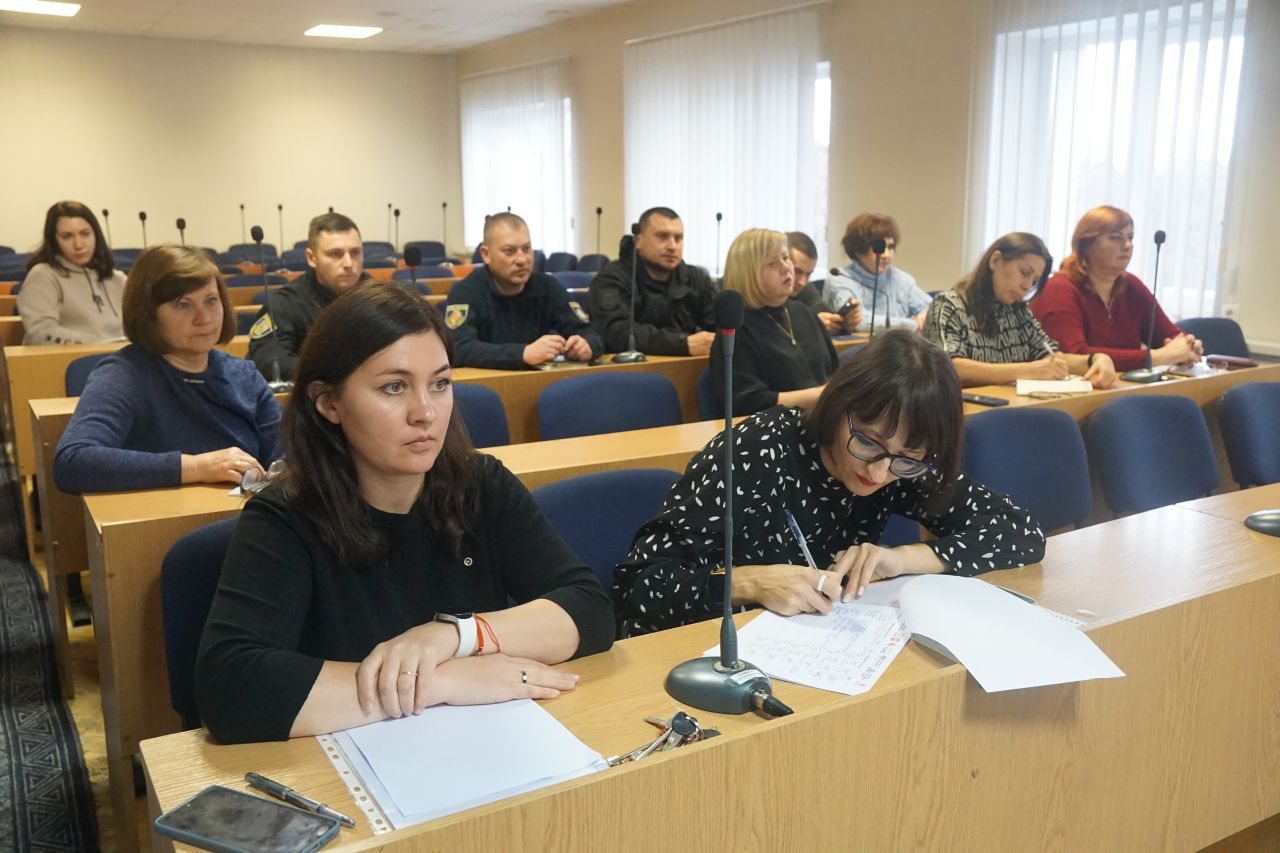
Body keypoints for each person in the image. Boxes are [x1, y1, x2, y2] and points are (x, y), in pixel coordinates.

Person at [195, 282, 614, 744]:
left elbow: (589, 610)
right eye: (394, 387)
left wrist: (456, 636)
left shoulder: (481, 483)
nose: (426, 412)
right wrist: (440, 682)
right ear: (329, 402)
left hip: (480, 745)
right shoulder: (285, 517)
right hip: (344, 763)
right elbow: (231, 688)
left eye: (440, 383)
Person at [614, 329, 1045, 637]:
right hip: (698, 648)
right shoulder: (756, 450)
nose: (878, 473)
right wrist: (749, 583)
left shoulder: (899, 463)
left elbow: (1020, 532)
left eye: (906, 459)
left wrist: (901, 558)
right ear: (840, 405)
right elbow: (640, 586)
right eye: (867, 442)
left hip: (808, 649)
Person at [54, 245, 282, 494]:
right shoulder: (123, 375)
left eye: (211, 301)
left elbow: (288, 452)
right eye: (183, 305)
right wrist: (197, 467)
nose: (204, 318)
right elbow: (73, 462)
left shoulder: (244, 375)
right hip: (158, 518)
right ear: (148, 314)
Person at [924, 232, 1118, 388]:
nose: (1027, 286)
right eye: (1024, 273)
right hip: (962, 413)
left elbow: (1051, 357)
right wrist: (1028, 371)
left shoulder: (1018, 310)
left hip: (1011, 407)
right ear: (995, 261)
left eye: (1034, 281)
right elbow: (950, 366)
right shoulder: (949, 304)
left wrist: (1094, 360)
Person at [1031, 205, 1202, 372]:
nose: (1127, 245)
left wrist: (1188, 346)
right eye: (1115, 238)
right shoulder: (1059, 289)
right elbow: (1076, 357)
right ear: (1086, 245)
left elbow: (1170, 336)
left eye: (1130, 237)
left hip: (1124, 386)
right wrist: (1157, 357)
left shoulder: (1131, 285)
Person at [445, 213, 603, 369]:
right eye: (509, 251)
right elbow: (458, 348)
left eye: (526, 249)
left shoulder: (547, 287)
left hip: (539, 381)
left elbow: (591, 331)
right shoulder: (465, 292)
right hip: (486, 382)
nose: (522, 259)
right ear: (486, 255)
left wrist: (587, 345)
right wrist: (522, 353)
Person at [713, 229, 837, 416]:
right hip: (777, 427)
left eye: (786, 258)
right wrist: (820, 396)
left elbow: (835, 373)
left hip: (825, 419)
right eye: (772, 263)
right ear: (749, 272)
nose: (786, 268)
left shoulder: (802, 312)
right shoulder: (736, 329)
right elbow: (746, 402)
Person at [248, 212, 371, 382]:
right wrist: (334, 377)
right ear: (312, 258)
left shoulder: (380, 298)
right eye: (335, 254)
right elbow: (269, 361)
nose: (348, 263)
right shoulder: (284, 303)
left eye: (355, 252)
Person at [587, 207, 717, 356]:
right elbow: (616, 332)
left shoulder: (696, 279)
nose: (672, 246)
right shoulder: (611, 279)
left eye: (678, 238)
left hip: (687, 366)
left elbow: (720, 325)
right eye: (662, 236)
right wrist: (682, 343)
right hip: (629, 368)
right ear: (638, 240)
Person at [18, 201, 126, 345]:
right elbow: (40, 333)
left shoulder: (118, 279)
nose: (78, 244)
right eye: (67, 236)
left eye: (85, 234)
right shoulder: (43, 275)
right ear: (54, 240)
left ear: (96, 234)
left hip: (121, 355)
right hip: (72, 356)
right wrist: (96, 344)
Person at [823, 213, 932, 333]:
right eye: (879, 248)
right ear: (858, 249)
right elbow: (859, 322)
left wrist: (924, 316)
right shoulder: (840, 279)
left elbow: (933, 309)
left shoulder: (900, 279)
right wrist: (913, 324)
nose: (886, 255)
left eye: (890, 247)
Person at [785, 231, 858, 334]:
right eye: (797, 271)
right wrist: (811, 324)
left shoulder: (806, 288)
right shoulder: (767, 293)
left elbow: (824, 314)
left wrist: (843, 324)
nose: (802, 282)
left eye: (808, 274)